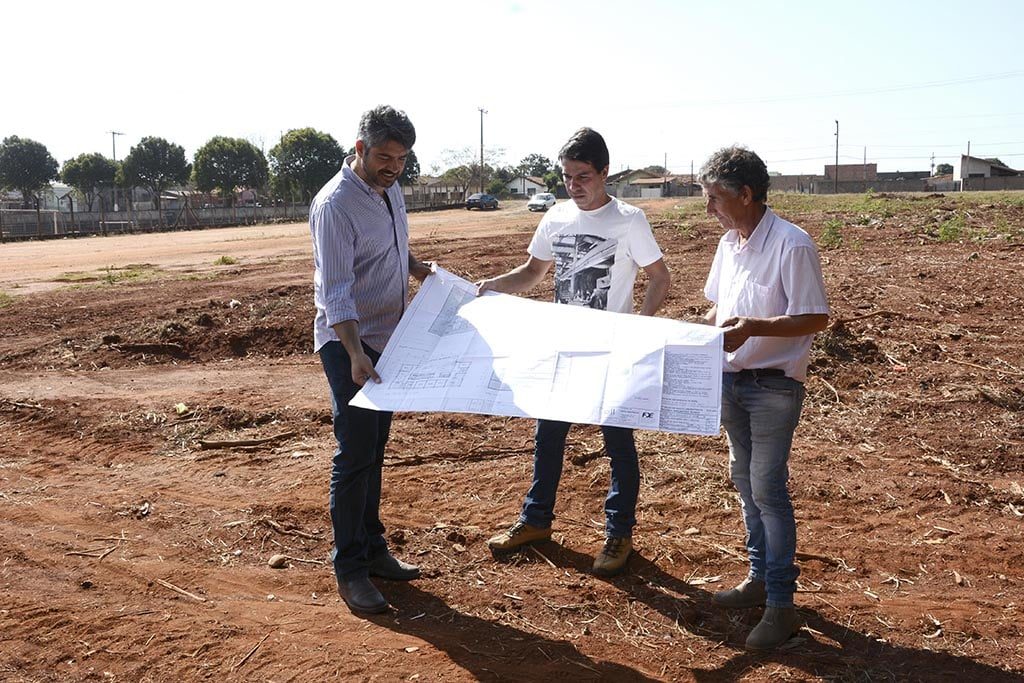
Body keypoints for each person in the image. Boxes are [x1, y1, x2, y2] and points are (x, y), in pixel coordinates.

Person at [476, 127, 671, 577]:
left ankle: (619, 533)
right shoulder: (556, 217)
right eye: (567, 176)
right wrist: (490, 287)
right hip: (562, 351)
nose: (574, 185)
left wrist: (636, 328)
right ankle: (535, 521)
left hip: (611, 354)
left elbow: (660, 277)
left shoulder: (629, 220)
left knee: (618, 444)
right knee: (548, 438)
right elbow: (533, 272)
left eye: (582, 175)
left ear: (604, 172)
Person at [697, 146, 829, 649]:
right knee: (745, 483)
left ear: (745, 194)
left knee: (768, 490)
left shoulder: (792, 245)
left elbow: (815, 317)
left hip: (773, 385)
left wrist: (755, 327)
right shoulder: (730, 243)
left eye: (715, 198)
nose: (709, 209)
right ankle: (758, 580)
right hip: (732, 381)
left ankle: (781, 606)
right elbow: (718, 310)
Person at [309, 105, 432, 615]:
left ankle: (375, 549)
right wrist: (356, 354)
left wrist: (429, 273)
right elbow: (334, 291)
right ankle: (351, 569)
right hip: (350, 346)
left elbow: (393, 253)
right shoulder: (335, 206)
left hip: (389, 338)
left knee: (375, 449)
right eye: (384, 157)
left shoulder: (390, 187)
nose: (394, 166)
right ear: (359, 149)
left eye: (402, 158)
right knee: (355, 454)